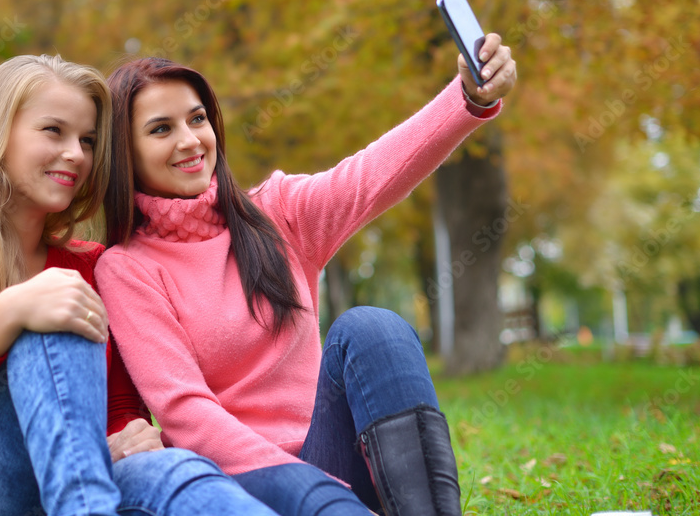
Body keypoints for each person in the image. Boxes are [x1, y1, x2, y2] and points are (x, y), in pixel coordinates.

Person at [94, 36, 517, 516]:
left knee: (372, 327)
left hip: (332, 458)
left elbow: (373, 174)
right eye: (160, 129)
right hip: (245, 484)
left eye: (197, 118)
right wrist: (313, 487)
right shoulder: (128, 269)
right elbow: (186, 415)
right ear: (125, 154)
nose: (190, 140)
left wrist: (467, 99)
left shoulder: (276, 212)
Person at [0, 54, 277, 516]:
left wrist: (135, 433)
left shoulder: (97, 265)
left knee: (172, 473)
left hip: (74, 474)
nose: (76, 153)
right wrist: (12, 311)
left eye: (89, 140)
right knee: (55, 308)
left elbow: (118, 409)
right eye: (53, 131)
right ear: (0, 134)